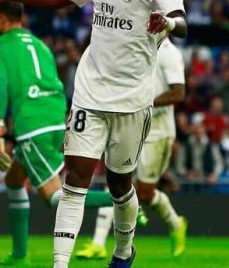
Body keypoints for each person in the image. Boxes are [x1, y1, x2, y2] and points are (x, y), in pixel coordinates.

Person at [0, 0, 187, 268]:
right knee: (75, 180)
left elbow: (181, 22)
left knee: (120, 185)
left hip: (132, 101)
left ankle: (123, 252)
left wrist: (165, 22)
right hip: (90, 95)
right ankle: (60, 264)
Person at [0, 1, 115, 266]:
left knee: (55, 197)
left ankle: (122, 199)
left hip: (33, 126)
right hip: (56, 120)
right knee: (14, 179)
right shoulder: (41, 45)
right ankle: (19, 255)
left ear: (2, 18)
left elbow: (0, 86)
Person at [76, 37, 188, 260]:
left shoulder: (169, 53)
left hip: (157, 133)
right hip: (130, 124)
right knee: (115, 183)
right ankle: (98, 243)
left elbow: (178, 93)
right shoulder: (136, 44)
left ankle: (176, 224)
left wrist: (143, 101)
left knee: (145, 193)